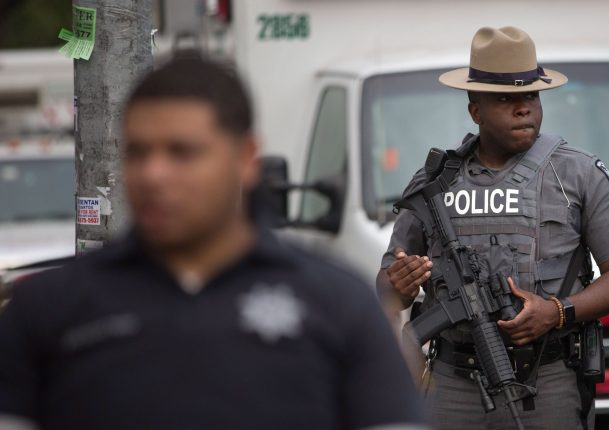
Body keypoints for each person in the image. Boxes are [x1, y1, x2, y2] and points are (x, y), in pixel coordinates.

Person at [0, 54, 427, 430]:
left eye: (182, 152)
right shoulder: (48, 310)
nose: (153, 174)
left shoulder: (338, 305)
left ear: (246, 158)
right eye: (138, 152)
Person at [376, 27, 609, 430]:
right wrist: (398, 283)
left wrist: (557, 312)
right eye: (506, 99)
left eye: (531, 96)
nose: (524, 109)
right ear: (476, 111)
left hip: (546, 379)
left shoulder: (578, 172)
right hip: (454, 385)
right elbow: (386, 291)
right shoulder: (434, 184)